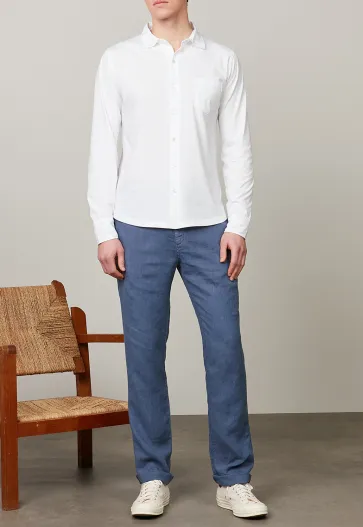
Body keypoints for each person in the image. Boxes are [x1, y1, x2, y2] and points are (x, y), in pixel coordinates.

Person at [87, 0, 267, 519]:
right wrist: (105, 229)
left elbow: (236, 146)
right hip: (136, 228)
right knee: (144, 356)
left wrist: (238, 224)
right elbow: (104, 146)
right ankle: (152, 477)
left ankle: (234, 479)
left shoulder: (221, 60)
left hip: (209, 227)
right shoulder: (117, 59)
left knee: (225, 351)